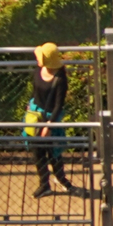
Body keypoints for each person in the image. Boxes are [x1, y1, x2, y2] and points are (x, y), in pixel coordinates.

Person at [27, 41, 71, 196]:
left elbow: (58, 105)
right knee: (37, 152)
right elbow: (34, 91)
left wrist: (49, 126)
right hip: (35, 115)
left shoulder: (60, 79)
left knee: (54, 151)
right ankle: (44, 184)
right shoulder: (38, 69)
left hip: (51, 117)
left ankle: (61, 178)